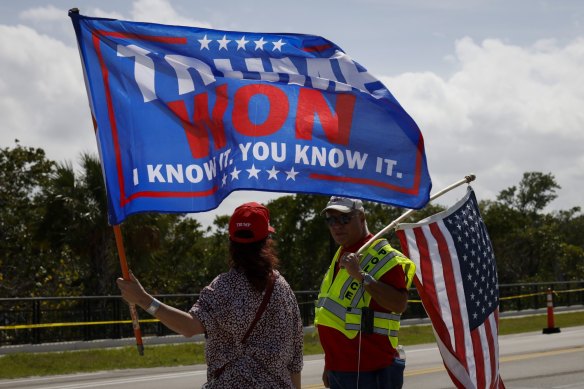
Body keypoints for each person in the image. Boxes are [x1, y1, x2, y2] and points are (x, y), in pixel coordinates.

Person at [117, 202, 303, 388]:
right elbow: (295, 361)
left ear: (231, 242)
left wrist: (143, 299)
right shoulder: (283, 290)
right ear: (267, 241)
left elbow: (188, 326)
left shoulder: (224, 287)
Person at [314, 196, 416, 389]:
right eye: (331, 220)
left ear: (361, 218)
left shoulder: (384, 255)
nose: (337, 226)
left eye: (344, 218)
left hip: (371, 370)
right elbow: (331, 315)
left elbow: (399, 304)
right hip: (340, 368)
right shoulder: (342, 253)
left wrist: (361, 276)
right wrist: (330, 363)